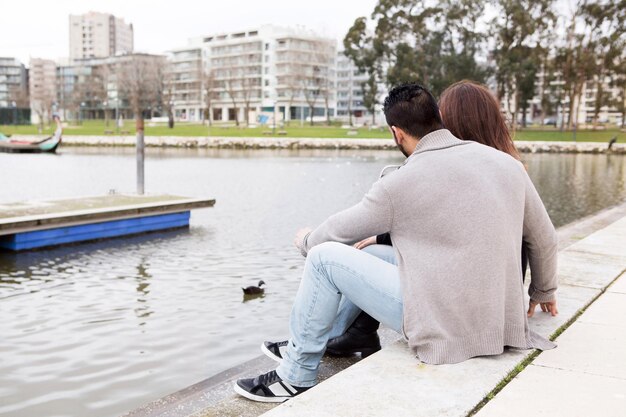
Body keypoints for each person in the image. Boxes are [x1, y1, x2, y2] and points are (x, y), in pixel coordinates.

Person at [234, 83, 558, 403]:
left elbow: (337, 230)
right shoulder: (509, 166)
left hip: (445, 323)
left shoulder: (402, 180)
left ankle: (295, 376)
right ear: (437, 117)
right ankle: (323, 337)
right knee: (371, 250)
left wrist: (306, 240)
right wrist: (543, 291)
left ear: (397, 133)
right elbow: (544, 238)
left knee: (323, 257)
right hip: (497, 318)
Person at [326, 80, 538, 357]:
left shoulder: (473, 168)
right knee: (377, 249)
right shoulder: (506, 165)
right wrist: (543, 290)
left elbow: (445, 230)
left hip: (473, 289)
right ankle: (353, 332)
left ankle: (340, 335)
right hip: (495, 284)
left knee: (376, 252)